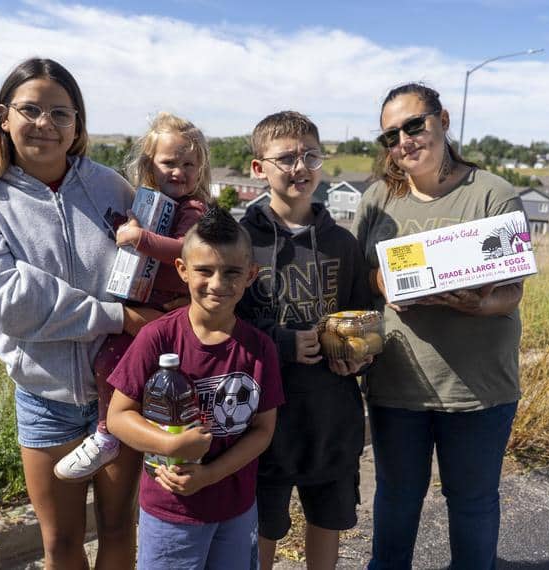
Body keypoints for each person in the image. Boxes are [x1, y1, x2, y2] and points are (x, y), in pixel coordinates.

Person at [0, 57, 151, 569]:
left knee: (122, 528)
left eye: (61, 113)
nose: (45, 125)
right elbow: (9, 300)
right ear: (3, 117)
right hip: (46, 397)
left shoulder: (110, 189)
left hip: (120, 393)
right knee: (60, 543)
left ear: (77, 124)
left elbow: (149, 269)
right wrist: (114, 318)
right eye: (30, 109)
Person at [353, 82, 525, 570]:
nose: (404, 140)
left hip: (478, 388)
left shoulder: (493, 193)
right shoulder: (377, 199)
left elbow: (513, 291)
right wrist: (381, 282)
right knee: (396, 501)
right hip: (397, 385)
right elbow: (359, 274)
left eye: (414, 125)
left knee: (472, 504)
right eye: (391, 135)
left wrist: (478, 304)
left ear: (443, 121)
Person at [106, 207, 285, 569]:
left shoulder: (259, 348)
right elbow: (118, 416)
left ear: (251, 275)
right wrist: (169, 445)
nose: (217, 284)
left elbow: (263, 431)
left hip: (236, 510)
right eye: (204, 271)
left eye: (232, 272)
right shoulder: (157, 338)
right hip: (171, 512)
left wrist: (209, 475)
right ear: (183, 271)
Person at [237, 111, 372, 569]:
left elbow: (364, 319)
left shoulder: (342, 243)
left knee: (328, 523)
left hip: (331, 416)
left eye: (310, 156)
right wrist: (282, 344)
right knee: (262, 530)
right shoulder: (239, 241)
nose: (300, 167)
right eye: (287, 158)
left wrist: (358, 357)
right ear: (259, 168)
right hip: (262, 421)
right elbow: (220, 327)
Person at [54, 112, 210, 482]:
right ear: (149, 165)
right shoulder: (147, 206)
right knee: (110, 363)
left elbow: (185, 249)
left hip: (170, 312)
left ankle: (163, 442)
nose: (179, 171)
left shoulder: (194, 210)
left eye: (189, 164)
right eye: (169, 162)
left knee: (175, 382)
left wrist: (139, 238)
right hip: (140, 307)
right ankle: (112, 434)